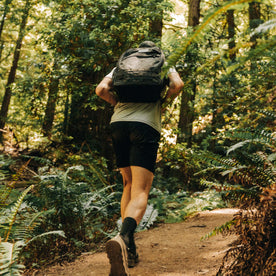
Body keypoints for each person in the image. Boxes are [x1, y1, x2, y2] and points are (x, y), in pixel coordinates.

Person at [95, 41, 184, 276]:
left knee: (128, 184)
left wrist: (115, 103)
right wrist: (163, 102)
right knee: (142, 190)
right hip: (145, 126)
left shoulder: (122, 66)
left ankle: (129, 247)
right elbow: (177, 85)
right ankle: (124, 237)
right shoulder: (163, 62)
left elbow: (101, 90)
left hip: (118, 124)